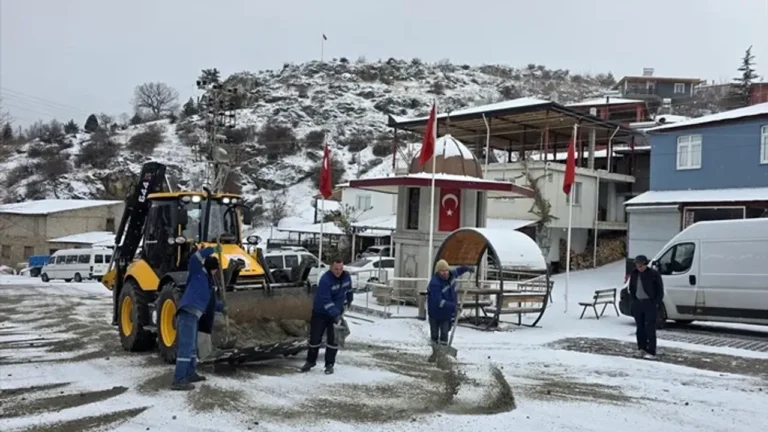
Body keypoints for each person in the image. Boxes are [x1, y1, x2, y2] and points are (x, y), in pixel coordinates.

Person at [171, 247, 225, 391]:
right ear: (212, 268)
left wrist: (221, 308)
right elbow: (195, 257)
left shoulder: (208, 282)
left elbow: (208, 303)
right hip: (187, 312)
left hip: (195, 315)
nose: (216, 273)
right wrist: (212, 249)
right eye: (216, 270)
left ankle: (190, 373)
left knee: (193, 347)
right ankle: (178, 380)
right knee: (186, 347)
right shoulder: (197, 272)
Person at [301, 258, 353, 375]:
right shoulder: (325, 280)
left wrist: (349, 299)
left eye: (340, 269)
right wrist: (335, 314)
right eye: (336, 269)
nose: (338, 271)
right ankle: (310, 361)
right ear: (331, 268)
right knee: (315, 338)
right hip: (321, 312)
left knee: (333, 340)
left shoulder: (346, 277)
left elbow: (349, 289)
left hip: (336, 313)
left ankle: (329, 364)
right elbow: (326, 300)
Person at [426, 259, 473, 362]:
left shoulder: (451, 275)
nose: (445, 272)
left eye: (446, 270)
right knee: (435, 335)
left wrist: (467, 268)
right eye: (442, 271)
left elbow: (458, 271)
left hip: (446, 313)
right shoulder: (435, 283)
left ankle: (442, 355)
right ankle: (435, 353)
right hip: (435, 313)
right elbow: (439, 301)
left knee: (444, 333)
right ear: (438, 271)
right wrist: (453, 306)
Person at [628, 254, 664, 360]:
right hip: (638, 303)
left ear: (645, 264)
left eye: (640, 266)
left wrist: (655, 302)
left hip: (649, 303)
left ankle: (651, 350)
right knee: (640, 328)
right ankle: (641, 348)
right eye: (637, 266)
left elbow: (660, 290)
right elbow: (631, 287)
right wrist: (634, 300)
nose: (639, 268)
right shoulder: (634, 273)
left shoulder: (653, 274)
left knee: (650, 327)